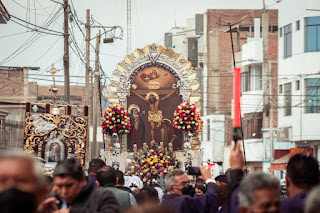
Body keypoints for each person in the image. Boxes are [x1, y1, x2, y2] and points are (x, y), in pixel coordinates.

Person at [38, 158, 119, 213]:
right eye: (59, 186)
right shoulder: (52, 201)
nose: (64, 192)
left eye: (69, 186)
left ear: (82, 180)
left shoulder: (102, 198)